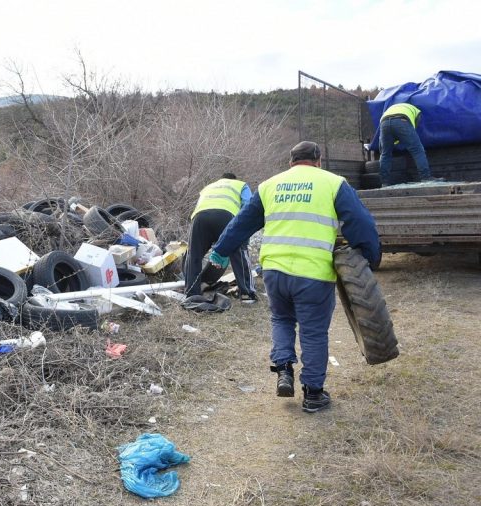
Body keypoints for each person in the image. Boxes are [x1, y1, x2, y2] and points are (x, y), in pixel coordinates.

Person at [208, 141, 380, 413]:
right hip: (313, 273)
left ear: (290, 162)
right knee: (313, 332)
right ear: (318, 161)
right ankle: (313, 394)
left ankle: (284, 371)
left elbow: (242, 222)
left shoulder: (270, 185)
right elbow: (361, 222)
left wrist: (220, 250)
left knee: (282, 319)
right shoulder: (333, 183)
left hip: (274, 272)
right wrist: (369, 256)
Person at [184, 172, 257, 303]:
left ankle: (191, 294)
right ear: (234, 179)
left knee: (194, 255)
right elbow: (248, 206)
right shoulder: (241, 185)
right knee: (239, 253)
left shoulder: (208, 187)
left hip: (200, 218)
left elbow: (199, 205)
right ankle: (247, 294)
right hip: (226, 216)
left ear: (221, 179)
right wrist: (243, 238)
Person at [379, 102, 433, 185]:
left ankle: (384, 182)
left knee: (385, 154)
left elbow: (383, 142)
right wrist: (405, 138)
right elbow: (412, 127)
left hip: (384, 123)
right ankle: (426, 177)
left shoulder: (391, 109)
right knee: (418, 150)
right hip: (402, 120)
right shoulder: (416, 111)